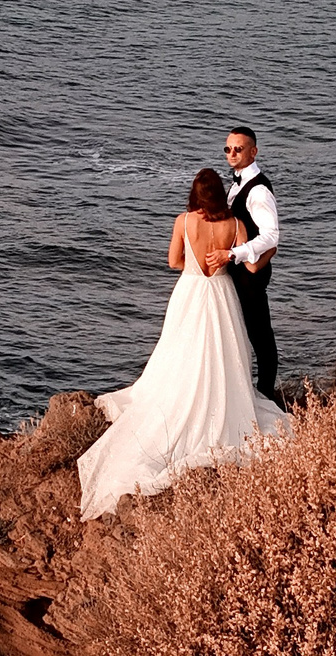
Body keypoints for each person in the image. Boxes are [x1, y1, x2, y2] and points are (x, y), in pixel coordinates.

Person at [75, 168, 288, 520]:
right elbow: (251, 268)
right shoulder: (236, 225)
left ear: (195, 196)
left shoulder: (184, 221)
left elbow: (173, 261)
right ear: (221, 194)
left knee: (180, 353)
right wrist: (267, 251)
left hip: (190, 293)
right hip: (222, 295)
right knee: (223, 355)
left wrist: (193, 262)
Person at [200, 125, 280, 400]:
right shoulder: (238, 185)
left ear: (253, 152)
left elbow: (271, 234)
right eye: (228, 149)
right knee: (242, 331)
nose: (232, 153)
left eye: (238, 149)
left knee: (259, 335)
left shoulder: (258, 191)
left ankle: (266, 395)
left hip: (249, 274)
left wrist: (234, 254)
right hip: (241, 271)